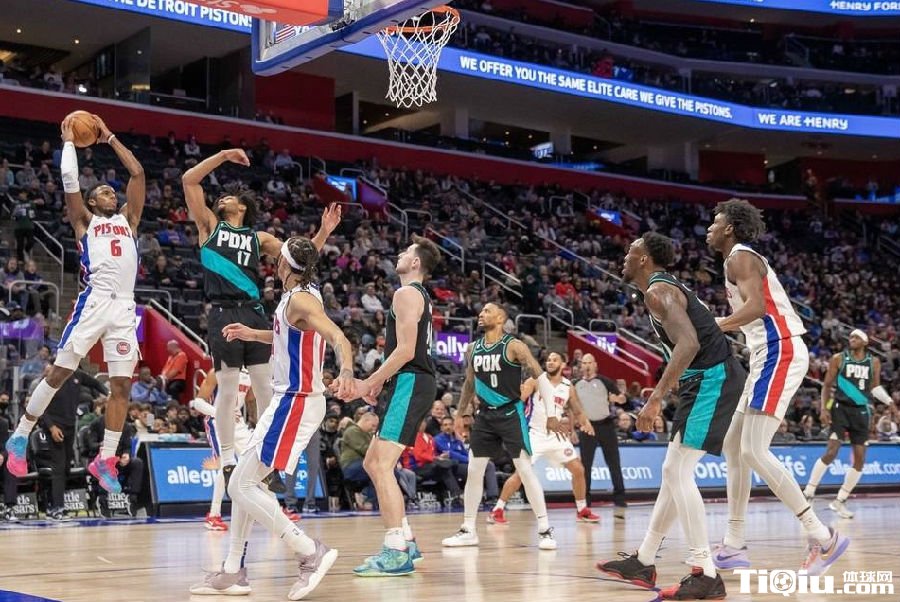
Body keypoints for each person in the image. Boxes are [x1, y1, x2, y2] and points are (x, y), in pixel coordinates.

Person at [190, 236, 355, 600]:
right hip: (286, 400)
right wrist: (253, 334)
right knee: (244, 483)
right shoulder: (298, 293)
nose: (273, 262)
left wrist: (346, 369)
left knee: (242, 486)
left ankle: (309, 551)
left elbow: (338, 336)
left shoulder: (301, 300)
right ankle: (233, 571)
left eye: (277, 258)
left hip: (297, 401)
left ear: (283, 265)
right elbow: (286, 334)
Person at [596, 232, 746, 599]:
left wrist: (655, 398)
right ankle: (644, 559)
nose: (625, 256)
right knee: (671, 472)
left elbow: (689, 343)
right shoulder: (661, 290)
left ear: (644, 259)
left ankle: (705, 572)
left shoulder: (658, 291)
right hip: (704, 380)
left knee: (677, 472)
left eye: (631, 251)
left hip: (712, 379)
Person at [182, 148, 341, 487]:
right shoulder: (209, 225)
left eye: (229, 197)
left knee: (266, 388)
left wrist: (324, 232)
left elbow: (300, 259)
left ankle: (269, 459)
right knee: (227, 387)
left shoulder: (259, 238)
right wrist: (223, 155)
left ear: (242, 207)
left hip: (253, 311)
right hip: (223, 310)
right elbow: (189, 180)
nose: (221, 198)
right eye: (220, 197)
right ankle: (228, 459)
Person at [706, 199, 849, 576]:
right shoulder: (735, 260)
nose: (709, 228)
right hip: (765, 354)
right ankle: (734, 543)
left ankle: (822, 536)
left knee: (753, 449)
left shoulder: (740, 257)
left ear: (730, 228)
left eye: (715, 222)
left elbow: (756, 308)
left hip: (778, 350)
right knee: (733, 446)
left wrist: (716, 325)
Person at [5, 114, 145, 494]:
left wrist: (109, 135)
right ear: (92, 200)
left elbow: (137, 174)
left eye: (112, 192)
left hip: (124, 308)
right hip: (94, 301)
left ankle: (106, 459)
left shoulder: (130, 220)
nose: (111, 194)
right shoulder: (84, 220)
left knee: (121, 386)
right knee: (59, 373)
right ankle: (20, 435)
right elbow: (69, 179)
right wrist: (69, 140)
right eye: (104, 191)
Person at [352, 235, 442, 577]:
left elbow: (405, 350)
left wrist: (370, 381)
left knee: (382, 465)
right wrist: (382, 382)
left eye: (406, 252)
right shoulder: (419, 296)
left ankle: (396, 551)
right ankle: (407, 540)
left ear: (416, 262)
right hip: (407, 382)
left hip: (411, 381)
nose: (400, 254)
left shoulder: (406, 294)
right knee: (372, 462)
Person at [442, 303, 565, 551]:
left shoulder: (514, 346)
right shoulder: (473, 348)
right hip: (485, 416)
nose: (481, 314)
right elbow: (469, 382)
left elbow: (540, 376)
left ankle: (544, 530)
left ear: (500, 318)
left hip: (510, 413)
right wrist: (461, 411)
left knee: (525, 470)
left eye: (487, 311)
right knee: (474, 470)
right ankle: (468, 529)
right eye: (481, 311)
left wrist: (552, 414)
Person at [489, 352, 597, 524]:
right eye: (548, 360)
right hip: (534, 434)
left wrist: (586, 423)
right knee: (521, 474)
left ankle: (582, 509)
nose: (550, 362)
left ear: (563, 364)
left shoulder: (568, 386)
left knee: (578, 469)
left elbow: (577, 410)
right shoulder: (536, 380)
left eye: (555, 360)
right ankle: (498, 510)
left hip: (556, 436)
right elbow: (519, 398)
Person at [805, 329, 892, 518]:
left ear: (865, 342)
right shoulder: (839, 358)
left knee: (860, 459)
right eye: (851, 337)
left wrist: (890, 401)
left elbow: (875, 388)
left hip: (861, 411)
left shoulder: (873, 362)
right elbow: (827, 385)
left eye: (856, 337)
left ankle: (840, 501)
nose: (852, 339)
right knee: (831, 451)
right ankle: (808, 493)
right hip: (840, 408)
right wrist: (824, 409)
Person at [189, 368, 255, 531]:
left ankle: (275, 509)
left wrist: (256, 420)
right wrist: (221, 413)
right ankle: (213, 515)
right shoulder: (217, 371)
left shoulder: (250, 372)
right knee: (227, 465)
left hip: (238, 422)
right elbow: (198, 403)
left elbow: (251, 400)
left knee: (255, 460)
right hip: (217, 421)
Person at [573, 353, 628, 514]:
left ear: (595, 365)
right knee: (585, 466)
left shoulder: (605, 381)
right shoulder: (575, 384)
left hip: (606, 426)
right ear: (581, 366)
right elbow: (570, 406)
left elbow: (622, 399)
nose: (587, 365)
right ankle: (585, 500)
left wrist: (618, 399)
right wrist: (573, 428)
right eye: (584, 363)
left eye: (590, 362)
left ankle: (620, 497)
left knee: (614, 462)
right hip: (586, 427)